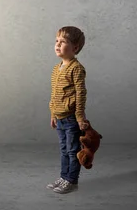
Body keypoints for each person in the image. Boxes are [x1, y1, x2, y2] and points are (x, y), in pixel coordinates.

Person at [46, 26, 89, 194]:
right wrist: (53, 114)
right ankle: (64, 177)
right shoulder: (56, 69)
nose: (57, 45)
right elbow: (54, 93)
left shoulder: (76, 68)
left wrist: (79, 117)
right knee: (64, 150)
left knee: (73, 151)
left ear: (75, 48)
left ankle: (72, 181)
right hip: (60, 117)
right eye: (56, 41)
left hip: (71, 118)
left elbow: (80, 93)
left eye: (62, 42)